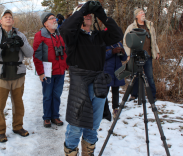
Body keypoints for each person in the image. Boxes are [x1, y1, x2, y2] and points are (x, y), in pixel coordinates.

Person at [59, 1, 123, 155]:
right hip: (80, 86)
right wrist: (84, 9)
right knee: (75, 126)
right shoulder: (73, 38)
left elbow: (117, 34)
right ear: (77, 15)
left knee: (93, 127)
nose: (87, 15)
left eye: (89, 14)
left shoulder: (98, 36)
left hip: (99, 85)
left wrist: (101, 14)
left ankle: (89, 152)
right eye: (83, 12)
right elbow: (66, 28)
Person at [0, 9, 34, 142]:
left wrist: (22, 44)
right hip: (1, 76)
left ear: (13, 21)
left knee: (18, 104)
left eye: (10, 17)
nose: (8, 19)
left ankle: (18, 127)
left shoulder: (20, 35)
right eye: (5, 17)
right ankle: (0, 131)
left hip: (18, 74)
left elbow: (30, 53)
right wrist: (1, 46)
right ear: (1, 21)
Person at [33, 12, 68, 128]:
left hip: (60, 71)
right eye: (51, 19)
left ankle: (55, 116)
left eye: (55, 18)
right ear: (45, 23)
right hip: (47, 72)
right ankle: (47, 117)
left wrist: (66, 66)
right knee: (48, 95)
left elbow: (65, 50)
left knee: (57, 95)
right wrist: (40, 73)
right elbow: (37, 56)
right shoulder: (40, 35)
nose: (55, 20)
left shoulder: (61, 34)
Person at [123, 8, 160, 102]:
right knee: (134, 75)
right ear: (136, 16)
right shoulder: (131, 27)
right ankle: (134, 95)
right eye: (140, 12)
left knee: (149, 76)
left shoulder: (150, 26)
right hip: (135, 56)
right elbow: (125, 41)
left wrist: (157, 52)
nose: (143, 13)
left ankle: (152, 96)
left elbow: (154, 40)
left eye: (143, 12)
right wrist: (128, 54)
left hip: (148, 55)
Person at [102, 39, 127, 121]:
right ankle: (104, 111)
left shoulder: (119, 44)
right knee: (104, 92)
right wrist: (112, 52)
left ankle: (115, 108)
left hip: (117, 71)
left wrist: (123, 52)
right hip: (107, 71)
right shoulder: (104, 43)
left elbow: (124, 58)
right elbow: (102, 57)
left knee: (116, 91)